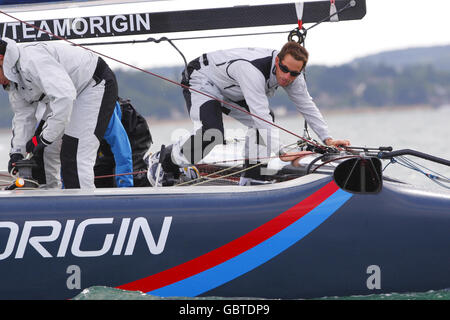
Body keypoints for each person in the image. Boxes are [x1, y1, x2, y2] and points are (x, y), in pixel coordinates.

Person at [147, 41, 351, 186]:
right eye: (284, 69)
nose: (287, 76)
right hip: (202, 79)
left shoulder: (293, 75)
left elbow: (307, 105)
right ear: (277, 60)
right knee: (212, 134)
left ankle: (253, 177)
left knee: (263, 123)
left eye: (294, 73)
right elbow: (259, 114)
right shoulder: (251, 70)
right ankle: (164, 161)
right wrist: (281, 152)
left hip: (230, 89)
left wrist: (328, 138)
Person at [0, 37, 119, 189]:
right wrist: (17, 152)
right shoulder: (13, 81)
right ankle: (51, 202)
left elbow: (64, 96)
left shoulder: (31, 59)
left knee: (75, 156)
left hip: (92, 85)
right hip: (66, 95)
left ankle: (83, 209)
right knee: (43, 152)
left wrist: (45, 138)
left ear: (1, 59)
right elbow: (23, 117)